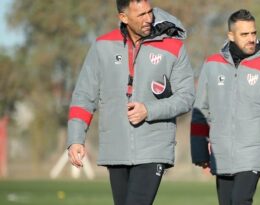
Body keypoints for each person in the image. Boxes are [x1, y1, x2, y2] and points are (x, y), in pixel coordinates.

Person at [67, 1, 195, 205]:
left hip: (154, 147)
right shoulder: (102, 46)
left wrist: (149, 110)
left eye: (149, 12)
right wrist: (75, 138)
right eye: (140, 15)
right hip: (115, 148)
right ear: (123, 17)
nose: (148, 19)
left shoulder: (173, 47)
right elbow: (84, 95)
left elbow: (186, 97)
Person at [190, 9, 260, 205]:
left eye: (253, 33)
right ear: (230, 35)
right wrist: (199, 151)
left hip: (255, 153)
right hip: (221, 152)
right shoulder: (212, 65)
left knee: (240, 200)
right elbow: (200, 112)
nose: (251, 39)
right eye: (244, 34)